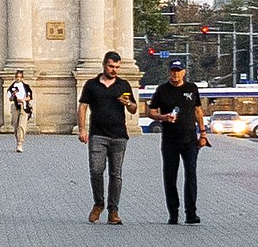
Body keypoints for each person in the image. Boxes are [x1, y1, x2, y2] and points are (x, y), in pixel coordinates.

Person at [78, 51, 138, 225]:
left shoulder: (124, 85)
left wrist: (128, 104)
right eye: (111, 66)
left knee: (116, 174)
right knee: (96, 171)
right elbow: (83, 107)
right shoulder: (91, 85)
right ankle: (98, 203)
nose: (114, 70)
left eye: (117, 67)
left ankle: (113, 210)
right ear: (104, 64)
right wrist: (82, 129)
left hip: (119, 136)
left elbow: (134, 109)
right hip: (97, 134)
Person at [147, 59, 208, 224]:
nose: (175, 73)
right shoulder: (162, 90)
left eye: (178, 70)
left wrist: (203, 134)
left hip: (189, 140)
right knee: (170, 177)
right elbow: (151, 112)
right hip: (169, 141)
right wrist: (163, 117)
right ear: (169, 72)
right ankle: (173, 213)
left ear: (184, 72)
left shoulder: (191, 88)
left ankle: (191, 213)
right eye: (173, 70)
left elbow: (198, 111)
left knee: (191, 175)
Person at [7, 69, 33, 153]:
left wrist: (23, 100)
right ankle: (18, 139)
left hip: (24, 106)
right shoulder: (11, 87)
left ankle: (19, 143)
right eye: (17, 77)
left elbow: (30, 97)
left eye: (19, 77)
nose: (18, 78)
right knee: (15, 125)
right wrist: (13, 95)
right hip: (15, 106)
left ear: (22, 78)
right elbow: (10, 99)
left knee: (21, 125)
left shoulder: (26, 86)